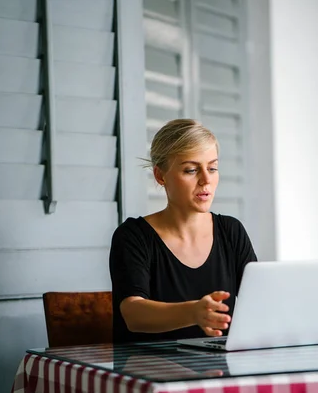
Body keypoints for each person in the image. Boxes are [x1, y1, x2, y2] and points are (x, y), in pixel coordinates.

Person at [109, 118, 257, 344]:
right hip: (149, 370)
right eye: (191, 170)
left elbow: (259, 301)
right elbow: (133, 313)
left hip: (218, 369)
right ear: (160, 176)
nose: (206, 180)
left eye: (213, 168)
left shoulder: (231, 231)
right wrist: (193, 313)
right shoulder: (133, 236)